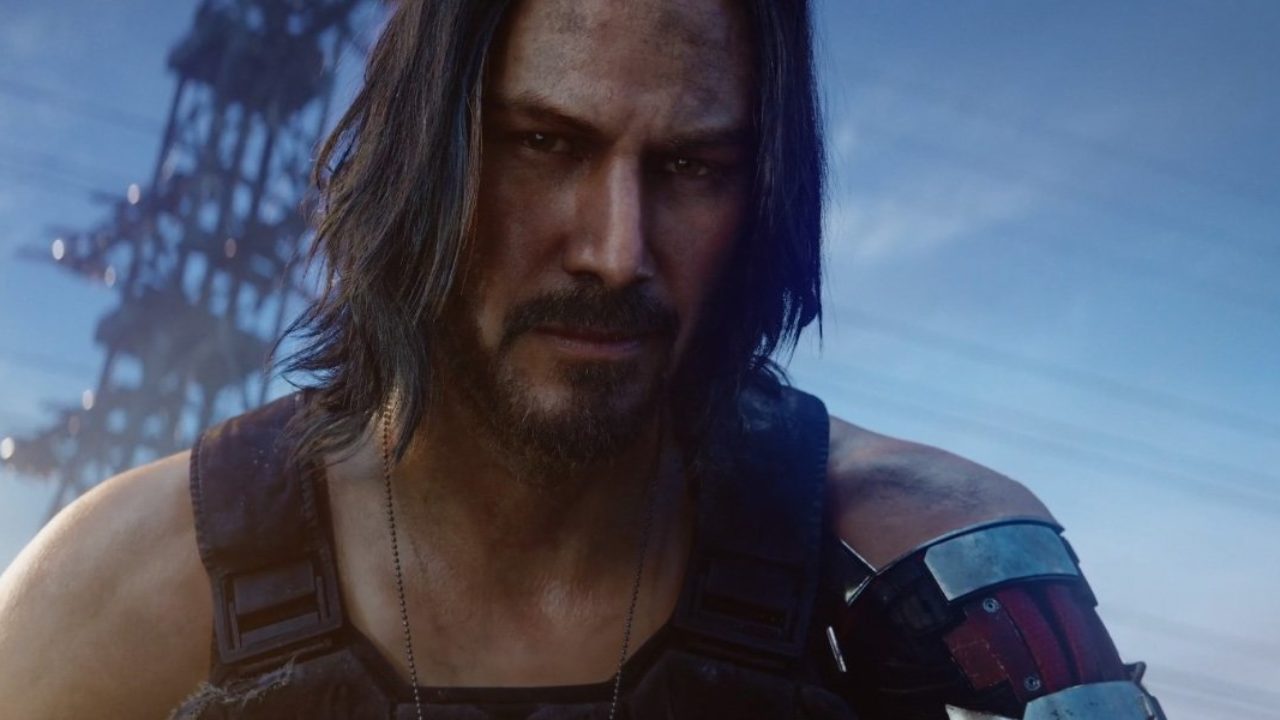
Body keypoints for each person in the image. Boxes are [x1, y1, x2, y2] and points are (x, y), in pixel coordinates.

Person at [0, 1, 1166, 718]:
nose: (616, 251)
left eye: (692, 168)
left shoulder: (933, 566)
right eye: (544, 143)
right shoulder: (121, 592)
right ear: (418, 161)